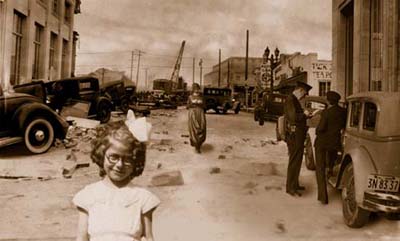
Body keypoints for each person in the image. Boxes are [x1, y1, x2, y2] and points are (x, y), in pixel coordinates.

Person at [73, 110, 160, 241]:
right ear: (102, 155)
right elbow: (81, 238)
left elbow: (149, 238)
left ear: (136, 161)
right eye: (114, 157)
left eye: (128, 159)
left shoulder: (142, 198)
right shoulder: (88, 195)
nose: (120, 165)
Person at [314, 91, 347, 204]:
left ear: (328, 101)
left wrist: (317, 130)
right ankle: (330, 171)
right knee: (330, 163)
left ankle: (323, 197)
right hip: (335, 143)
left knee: (320, 168)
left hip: (322, 143)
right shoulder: (343, 112)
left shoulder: (326, 113)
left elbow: (321, 128)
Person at [284, 81, 313, 197]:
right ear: (300, 90)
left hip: (297, 135)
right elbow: (293, 117)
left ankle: (294, 184)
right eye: (304, 93)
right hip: (294, 135)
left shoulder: (293, 100)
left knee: (297, 160)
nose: (304, 96)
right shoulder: (291, 100)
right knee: (294, 161)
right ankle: (290, 187)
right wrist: (305, 114)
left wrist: (306, 115)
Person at [187, 83, 207, 153]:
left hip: (200, 114)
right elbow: (188, 106)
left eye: (198, 89)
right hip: (192, 114)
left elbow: (205, 106)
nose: (197, 90)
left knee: (202, 127)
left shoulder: (202, 97)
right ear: (193, 89)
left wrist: (200, 107)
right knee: (194, 128)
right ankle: (195, 144)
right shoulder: (190, 97)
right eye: (195, 89)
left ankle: (198, 143)